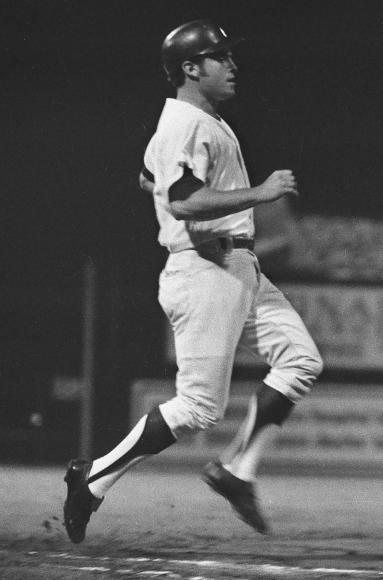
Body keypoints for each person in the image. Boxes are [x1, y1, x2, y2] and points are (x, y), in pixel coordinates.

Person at [63, 19, 324, 543]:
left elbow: (150, 176)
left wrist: (167, 191)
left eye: (228, 56)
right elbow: (182, 200)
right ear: (189, 68)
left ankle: (236, 473)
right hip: (206, 271)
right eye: (219, 57)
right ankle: (91, 478)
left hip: (235, 266)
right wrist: (261, 192)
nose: (232, 66)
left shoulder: (194, 121)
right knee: (200, 408)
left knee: (300, 361)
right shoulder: (187, 123)